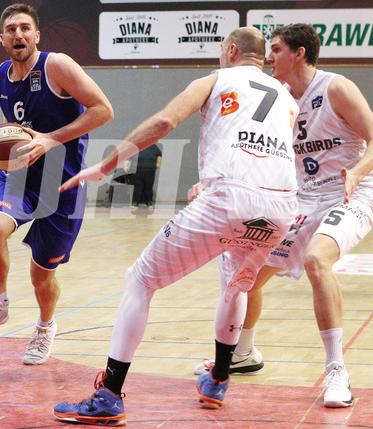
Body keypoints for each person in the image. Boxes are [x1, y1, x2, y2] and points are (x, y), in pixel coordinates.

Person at [53, 27, 299, 423]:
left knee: (140, 280)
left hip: (230, 199)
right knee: (237, 282)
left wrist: (107, 163)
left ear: (232, 50)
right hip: (281, 207)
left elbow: (165, 121)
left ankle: (109, 395)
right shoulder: (287, 97)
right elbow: (265, 151)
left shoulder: (217, 78)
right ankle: (218, 379)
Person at [191, 23, 373, 409]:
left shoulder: (335, 88)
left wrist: (358, 172)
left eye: (276, 49)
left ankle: (336, 371)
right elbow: (249, 149)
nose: (269, 57)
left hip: (349, 194)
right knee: (243, 277)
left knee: (316, 260)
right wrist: (212, 184)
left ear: (298, 53)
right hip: (300, 201)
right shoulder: (275, 97)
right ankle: (244, 352)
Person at [0, 3, 114, 365]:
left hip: (61, 182)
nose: (18, 34)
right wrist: (8, 145)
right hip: (20, 175)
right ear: (1, 37)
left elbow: (103, 110)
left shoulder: (57, 65)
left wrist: (50, 139)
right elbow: (12, 124)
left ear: (36, 35)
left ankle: (46, 326)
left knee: (40, 273)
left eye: (25, 28)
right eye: (11, 29)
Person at [128, 143, 161, 209]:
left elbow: (159, 155)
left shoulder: (153, 146)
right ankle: (135, 203)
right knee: (137, 187)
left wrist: (158, 163)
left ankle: (149, 202)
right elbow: (128, 157)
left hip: (150, 170)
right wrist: (126, 165)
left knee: (148, 187)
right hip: (136, 170)